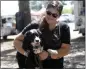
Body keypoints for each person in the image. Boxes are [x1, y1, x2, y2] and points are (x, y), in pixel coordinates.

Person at [13, 1, 70, 69]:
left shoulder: (63, 28)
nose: (50, 16)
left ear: (59, 16)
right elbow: (16, 41)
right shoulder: (35, 25)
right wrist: (28, 54)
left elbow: (66, 49)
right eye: (49, 13)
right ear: (45, 11)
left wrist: (51, 54)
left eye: (54, 15)